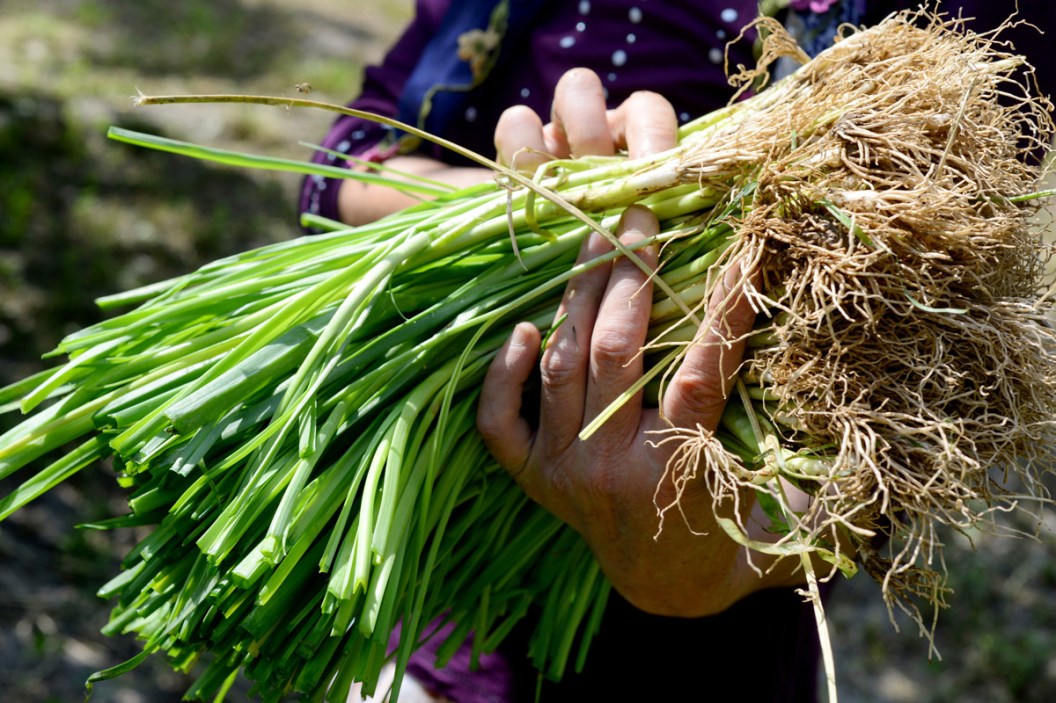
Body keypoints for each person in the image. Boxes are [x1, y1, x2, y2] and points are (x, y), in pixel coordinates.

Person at [301, 2, 1054, 700]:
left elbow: (927, 369)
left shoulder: (970, 26)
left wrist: (725, 556)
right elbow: (338, 161)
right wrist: (528, 208)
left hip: (714, 648)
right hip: (425, 590)